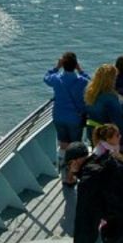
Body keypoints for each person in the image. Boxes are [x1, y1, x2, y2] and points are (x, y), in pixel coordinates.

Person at [44, 52, 91, 181]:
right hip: (75, 118)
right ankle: (74, 175)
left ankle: (65, 175)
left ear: (63, 65)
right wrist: (80, 70)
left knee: (63, 145)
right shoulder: (81, 81)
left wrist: (56, 67)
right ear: (75, 65)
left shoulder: (56, 79)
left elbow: (46, 77)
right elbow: (90, 82)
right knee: (75, 148)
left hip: (59, 117)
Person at [84, 64, 123, 142]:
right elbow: (118, 121)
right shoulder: (110, 98)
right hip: (108, 136)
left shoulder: (90, 94)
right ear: (111, 80)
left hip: (93, 132)